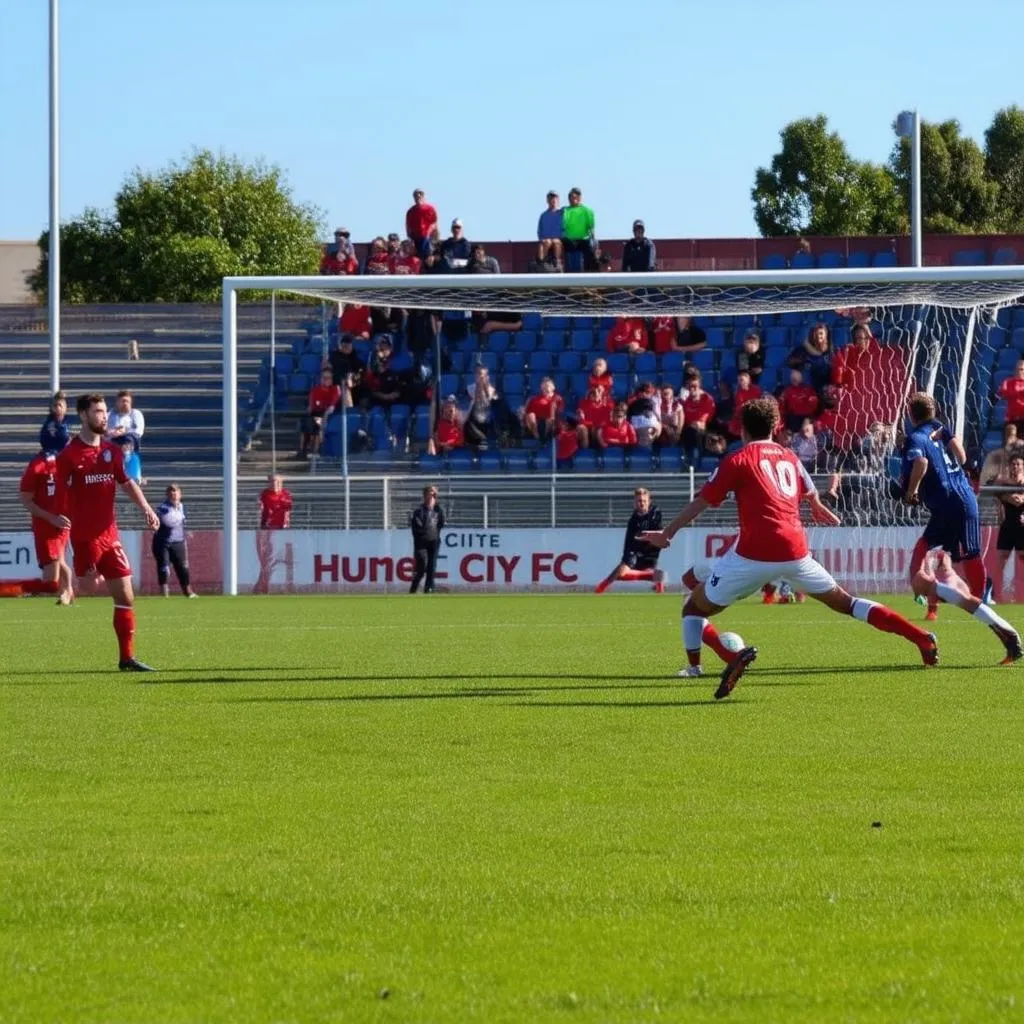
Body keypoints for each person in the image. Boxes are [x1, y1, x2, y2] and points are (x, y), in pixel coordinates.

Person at [640, 397, 938, 699]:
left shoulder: (737, 459)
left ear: (742, 429)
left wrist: (667, 533)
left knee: (693, 607)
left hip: (752, 554)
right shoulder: (789, 457)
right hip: (796, 552)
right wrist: (815, 503)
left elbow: (701, 502)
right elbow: (808, 488)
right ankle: (921, 638)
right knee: (847, 603)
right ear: (777, 426)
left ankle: (705, 665)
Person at [58, 394, 160, 671]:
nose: (104, 416)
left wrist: (147, 509)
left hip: (109, 535)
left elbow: (126, 484)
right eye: (98, 412)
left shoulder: (111, 452)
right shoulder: (69, 455)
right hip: (85, 537)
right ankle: (65, 584)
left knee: (126, 596)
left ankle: (126, 659)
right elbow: (58, 491)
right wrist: (59, 518)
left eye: (104, 411)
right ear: (83, 415)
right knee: (90, 587)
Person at [903, 393, 985, 603]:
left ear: (911, 414)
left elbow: (921, 463)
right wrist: (961, 465)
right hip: (963, 495)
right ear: (934, 411)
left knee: (936, 547)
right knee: (961, 551)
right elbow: (961, 453)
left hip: (947, 500)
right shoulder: (940, 429)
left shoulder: (917, 437)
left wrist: (911, 490)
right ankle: (976, 600)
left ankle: (922, 585)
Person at [912, 548, 1021, 663]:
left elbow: (935, 564)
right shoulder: (932, 552)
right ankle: (1013, 647)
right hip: (949, 584)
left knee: (976, 608)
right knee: (978, 610)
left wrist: (927, 587)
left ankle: (1014, 643)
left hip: (946, 585)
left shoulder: (928, 551)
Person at [12, 448, 73, 604]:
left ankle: (28, 591)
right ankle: (67, 592)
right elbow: (26, 497)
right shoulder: (41, 464)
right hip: (52, 521)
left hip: (55, 522)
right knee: (58, 561)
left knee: (52, 571)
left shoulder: (58, 461)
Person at [595, 487, 666, 593]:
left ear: (649, 501)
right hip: (636, 550)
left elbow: (658, 531)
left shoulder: (655, 512)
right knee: (621, 574)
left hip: (652, 549)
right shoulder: (633, 521)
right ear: (634, 502)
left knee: (622, 573)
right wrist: (627, 559)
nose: (642, 503)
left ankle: (602, 587)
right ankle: (653, 576)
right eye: (639, 501)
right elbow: (629, 543)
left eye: (644, 501)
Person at [153, 484, 196, 598]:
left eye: (176, 491)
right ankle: (164, 593)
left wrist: (187, 532)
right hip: (163, 542)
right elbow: (158, 517)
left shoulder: (182, 507)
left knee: (183, 567)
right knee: (164, 567)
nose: (174, 494)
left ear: (180, 494)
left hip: (179, 542)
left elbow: (182, 522)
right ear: (167, 495)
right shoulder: (163, 508)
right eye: (171, 492)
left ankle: (188, 592)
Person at [993, 453, 1024, 601]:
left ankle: (1020, 595)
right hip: (1007, 526)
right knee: (1001, 561)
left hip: (1022, 527)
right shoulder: (1003, 482)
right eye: (1013, 464)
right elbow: (995, 492)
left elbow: (1020, 501)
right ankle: (994, 595)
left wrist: (1022, 498)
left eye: (1018, 464)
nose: (1015, 467)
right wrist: (1009, 497)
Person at [410, 485, 445, 594]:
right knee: (422, 567)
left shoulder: (439, 510)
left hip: (434, 541)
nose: (433, 496)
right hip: (421, 543)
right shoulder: (418, 512)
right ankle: (413, 589)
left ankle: (429, 589)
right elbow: (417, 529)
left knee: (432, 566)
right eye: (431, 493)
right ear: (425, 495)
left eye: (435, 494)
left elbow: (441, 524)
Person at [299, 369, 341, 458]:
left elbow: (331, 407)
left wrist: (323, 419)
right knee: (306, 423)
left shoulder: (335, 389)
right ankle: (302, 450)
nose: (326, 379)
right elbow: (310, 408)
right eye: (324, 377)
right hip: (316, 414)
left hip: (330, 415)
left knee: (317, 425)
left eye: (328, 378)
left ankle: (317, 451)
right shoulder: (314, 390)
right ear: (320, 378)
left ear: (332, 379)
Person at [560, 187, 596, 272]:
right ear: (569, 199)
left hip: (584, 239)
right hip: (569, 239)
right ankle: (570, 274)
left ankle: (587, 274)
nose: (574, 199)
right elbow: (562, 226)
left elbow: (591, 227)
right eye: (572, 197)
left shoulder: (587, 210)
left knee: (589, 247)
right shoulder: (565, 210)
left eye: (577, 196)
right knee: (568, 247)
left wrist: (594, 240)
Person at [405, 189, 438, 258]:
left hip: (427, 238)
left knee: (428, 258)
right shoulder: (410, 211)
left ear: (423, 196)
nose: (418, 196)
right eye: (416, 194)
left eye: (420, 194)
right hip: (415, 239)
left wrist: (435, 238)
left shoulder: (430, 209)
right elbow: (408, 227)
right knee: (417, 259)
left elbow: (435, 223)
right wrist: (411, 240)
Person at [536, 191, 564, 269]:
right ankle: (541, 263)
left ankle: (557, 261)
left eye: (555, 198)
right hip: (546, 240)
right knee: (547, 242)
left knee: (556, 241)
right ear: (547, 200)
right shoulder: (543, 215)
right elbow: (539, 230)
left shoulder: (562, 213)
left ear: (558, 200)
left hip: (558, 240)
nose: (553, 200)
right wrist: (541, 239)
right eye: (551, 198)